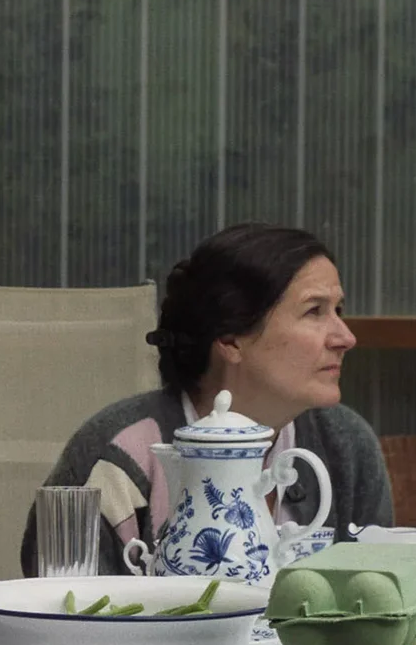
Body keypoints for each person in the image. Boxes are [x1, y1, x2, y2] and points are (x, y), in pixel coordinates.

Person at [21, 223, 394, 577]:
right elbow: (62, 605)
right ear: (231, 340)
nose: (345, 338)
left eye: (338, 310)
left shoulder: (345, 446)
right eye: (314, 311)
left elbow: (379, 597)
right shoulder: (120, 455)